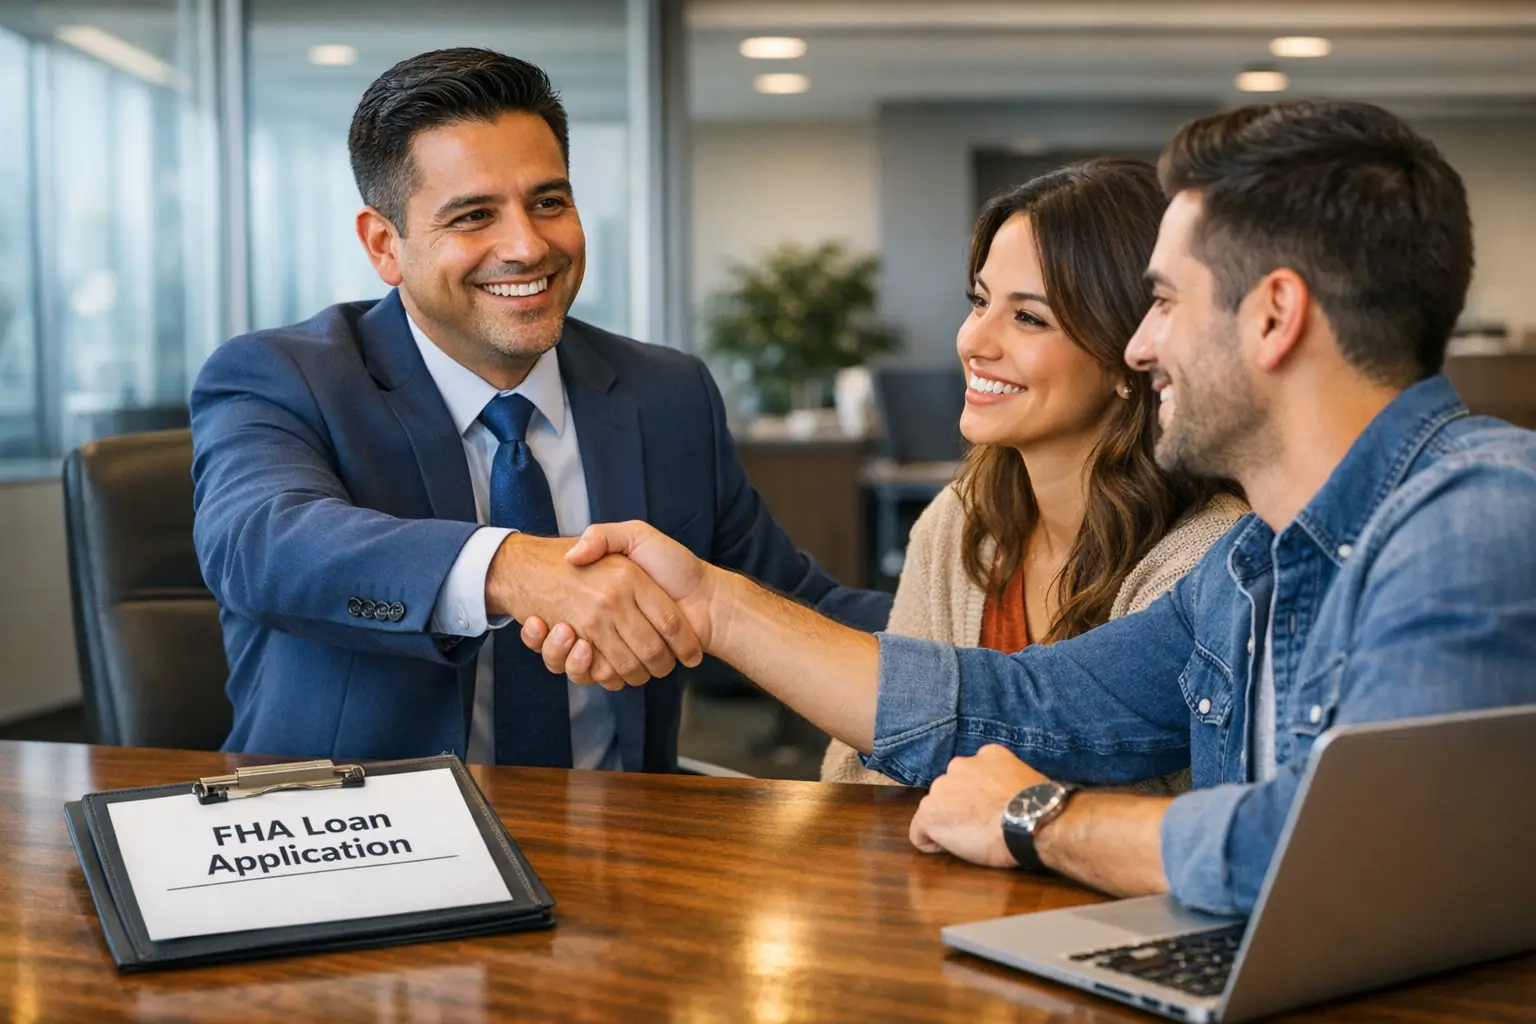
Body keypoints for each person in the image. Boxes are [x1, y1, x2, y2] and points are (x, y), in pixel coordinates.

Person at [524, 99, 1536, 915]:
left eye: (1166, 302)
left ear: (1273, 316)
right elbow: (1021, 703)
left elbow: (1351, 857)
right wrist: (713, 605)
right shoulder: (1252, 571)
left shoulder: (1472, 515)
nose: (1143, 344)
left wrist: (1039, 818)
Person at [189, 48, 889, 769]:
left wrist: (965, 642)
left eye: (549, 203)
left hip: (625, 821)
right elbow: (259, 545)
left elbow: (789, 603)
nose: (527, 246)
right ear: (384, 244)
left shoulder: (667, 393)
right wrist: (517, 570)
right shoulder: (285, 376)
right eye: (473, 216)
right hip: (366, 824)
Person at [820, 159, 1246, 786]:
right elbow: (853, 774)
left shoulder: (1207, 558)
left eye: (1029, 318)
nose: (974, 341)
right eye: (980, 302)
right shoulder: (960, 521)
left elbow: (1162, 816)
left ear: (1130, 354)